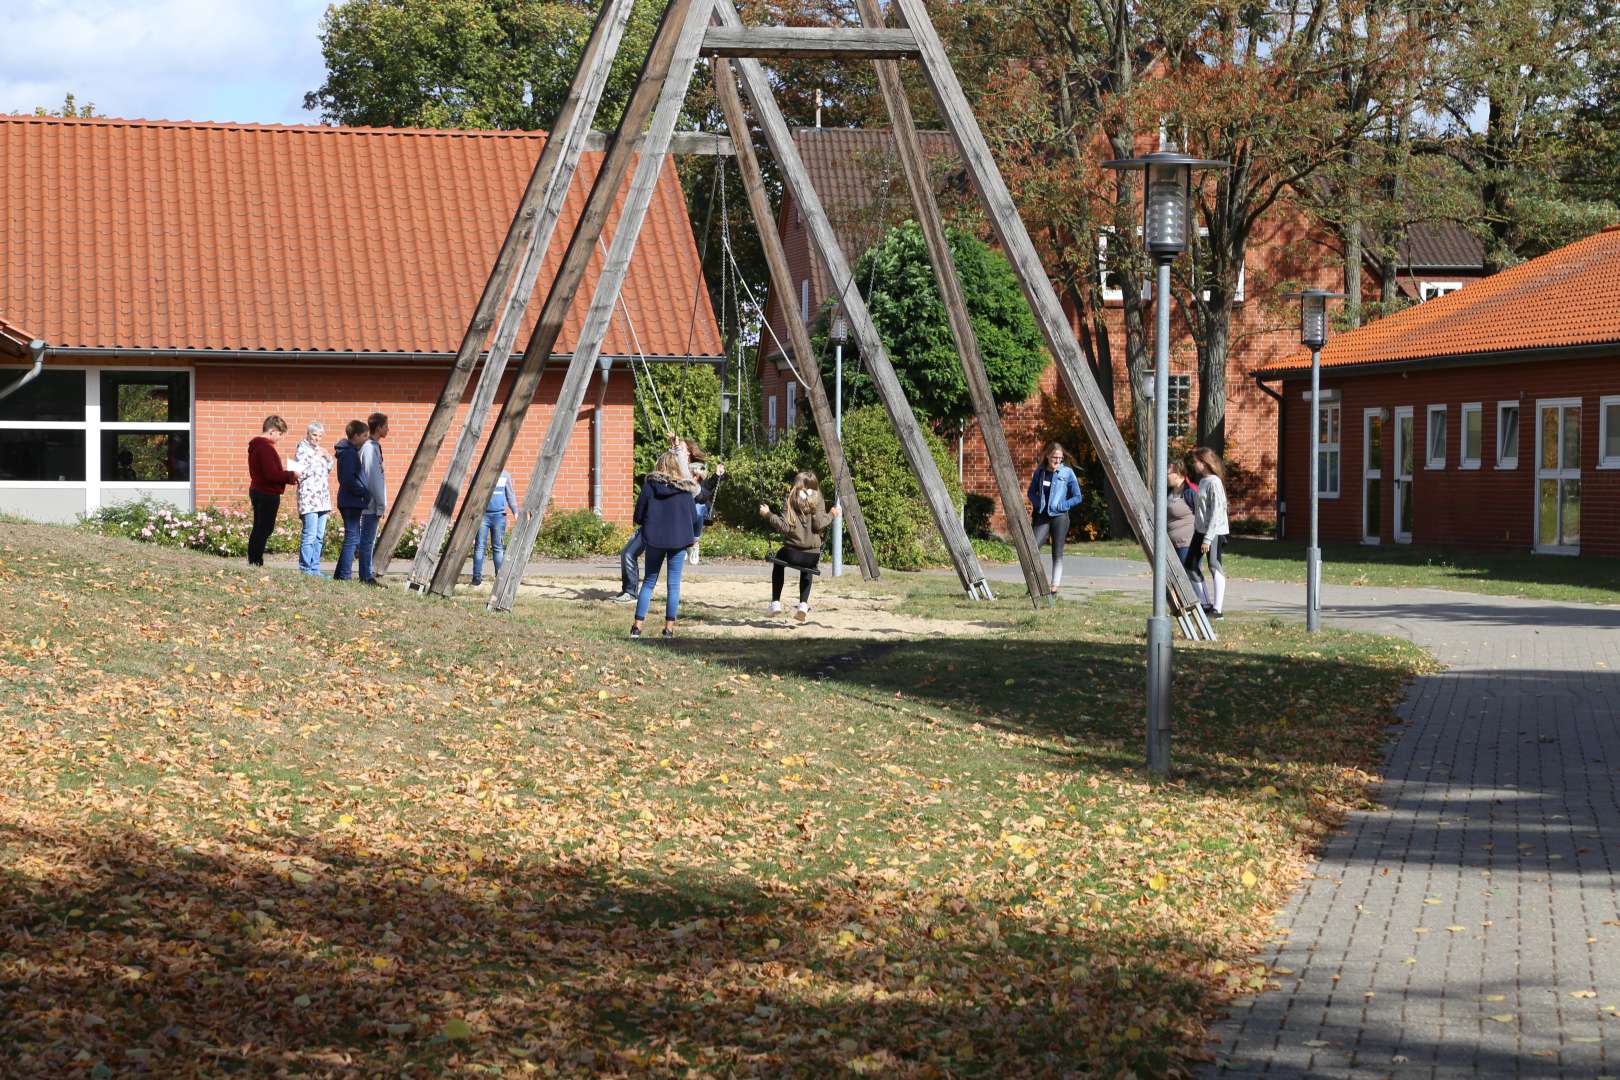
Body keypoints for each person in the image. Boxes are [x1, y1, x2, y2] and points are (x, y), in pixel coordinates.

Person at [613, 436, 719, 604]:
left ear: (689, 454)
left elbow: (701, 495)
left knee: (663, 580)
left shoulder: (693, 473)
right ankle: (630, 591)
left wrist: (716, 477)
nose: (676, 451)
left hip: (675, 528)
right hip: (656, 523)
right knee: (628, 553)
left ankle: (695, 541)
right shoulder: (666, 467)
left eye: (681, 449)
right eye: (676, 449)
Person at [630, 450, 699, 639]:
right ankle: (668, 629)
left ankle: (637, 627)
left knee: (649, 582)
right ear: (678, 467)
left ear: (659, 465)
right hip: (678, 541)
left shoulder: (649, 487)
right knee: (673, 585)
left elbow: (638, 516)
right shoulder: (685, 490)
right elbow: (693, 518)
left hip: (654, 540)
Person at [759, 470, 840, 623]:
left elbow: (784, 527)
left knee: (779, 561)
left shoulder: (791, 498)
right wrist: (831, 514)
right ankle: (803, 605)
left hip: (791, 553)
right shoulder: (819, 499)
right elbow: (818, 524)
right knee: (808, 568)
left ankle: (775, 602)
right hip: (812, 556)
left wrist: (768, 514)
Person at [1026, 441, 1083, 595]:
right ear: (1047, 456)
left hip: (1060, 517)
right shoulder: (1040, 471)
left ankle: (1054, 587)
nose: (1057, 461)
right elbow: (1031, 492)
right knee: (1033, 549)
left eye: (1060, 458)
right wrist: (1038, 504)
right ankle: (1035, 584)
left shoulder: (1067, 473)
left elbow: (1077, 497)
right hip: (1043, 516)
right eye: (1054, 457)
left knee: (1057, 552)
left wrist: (1062, 505)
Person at [246, 415, 301, 567]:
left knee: (260, 527)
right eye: (280, 434)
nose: (280, 437)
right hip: (266, 492)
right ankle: (255, 561)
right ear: (272, 431)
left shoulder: (257, 446)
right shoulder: (265, 448)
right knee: (264, 528)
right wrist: (291, 475)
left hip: (259, 490)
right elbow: (271, 474)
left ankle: (254, 560)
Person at [1188, 446, 1230, 618]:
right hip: (1200, 531)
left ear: (1204, 463)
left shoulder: (1214, 482)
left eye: (1195, 462)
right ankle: (1205, 604)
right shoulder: (1203, 481)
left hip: (1214, 532)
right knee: (1190, 566)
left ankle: (1217, 610)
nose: (1193, 465)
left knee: (1214, 565)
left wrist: (1208, 538)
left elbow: (1217, 512)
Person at [293, 422, 334, 577]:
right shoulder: (301, 449)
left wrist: (328, 457)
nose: (317, 438)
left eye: (320, 436)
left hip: (322, 498)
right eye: (314, 435)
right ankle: (305, 569)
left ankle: (315, 568)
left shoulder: (319, 450)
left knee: (319, 536)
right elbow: (299, 473)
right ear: (308, 434)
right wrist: (316, 457)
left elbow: (327, 469)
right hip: (309, 499)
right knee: (309, 535)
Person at [333, 421, 372, 582]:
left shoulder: (349, 452)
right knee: (351, 539)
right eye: (364, 436)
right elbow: (348, 479)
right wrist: (363, 491)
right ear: (355, 436)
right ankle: (345, 575)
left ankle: (340, 574)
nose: (366, 439)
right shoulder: (349, 453)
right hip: (351, 501)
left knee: (352, 538)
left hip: (350, 500)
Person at [357, 412, 388, 587]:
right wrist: (381, 503)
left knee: (369, 540)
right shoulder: (369, 448)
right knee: (367, 541)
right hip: (370, 503)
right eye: (386, 426)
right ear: (378, 428)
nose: (388, 429)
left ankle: (367, 574)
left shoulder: (374, 447)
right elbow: (373, 478)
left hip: (373, 502)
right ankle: (365, 576)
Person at [472, 469, 518, 587]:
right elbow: (472, 495)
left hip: (499, 516)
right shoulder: (479, 473)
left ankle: (499, 577)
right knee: (479, 547)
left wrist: (515, 512)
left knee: (498, 548)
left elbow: (510, 495)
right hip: (482, 516)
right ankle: (476, 578)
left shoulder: (505, 475)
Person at [1167, 461, 1198, 591]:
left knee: (1189, 575)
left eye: (1168, 473)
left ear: (1177, 474)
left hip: (1187, 543)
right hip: (1172, 543)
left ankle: (1201, 601)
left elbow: (1202, 515)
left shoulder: (1190, 491)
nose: (1165, 476)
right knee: (1177, 577)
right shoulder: (1169, 492)